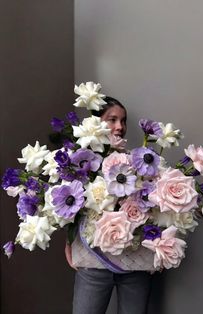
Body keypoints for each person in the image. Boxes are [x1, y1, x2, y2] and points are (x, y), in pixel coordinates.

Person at [65, 96, 152, 314]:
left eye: (123, 121)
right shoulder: (80, 162)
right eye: (112, 119)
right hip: (94, 260)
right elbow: (69, 206)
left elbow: (152, 207)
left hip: (135, 262)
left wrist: (161, 245)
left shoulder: (138, 162)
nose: (119, 127)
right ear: (96, 122)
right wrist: (69, 240)